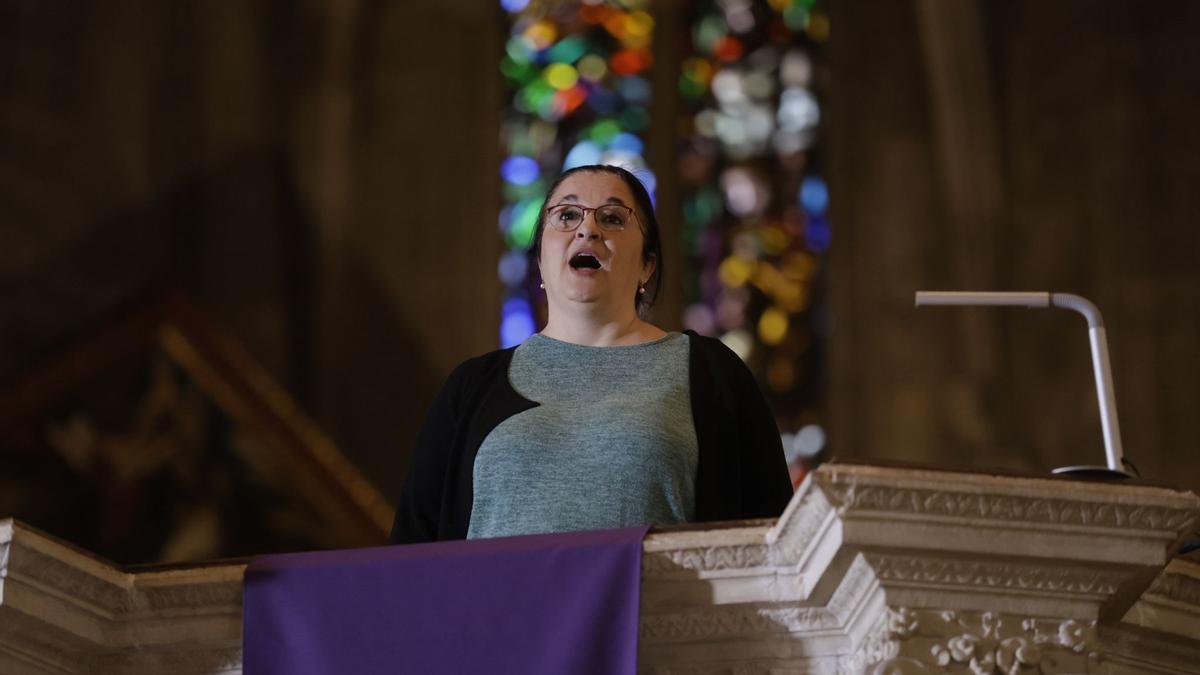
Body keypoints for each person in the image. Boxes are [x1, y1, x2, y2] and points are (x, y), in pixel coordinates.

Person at [390, 164, 792, 544]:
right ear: (540, 262)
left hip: (648, 617)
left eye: (613, 218)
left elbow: (772, 537)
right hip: (497, 616)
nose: (587, 229)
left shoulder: (710, 373)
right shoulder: (472, 387)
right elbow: (412, 555)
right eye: (566, 216)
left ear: (647, 265)